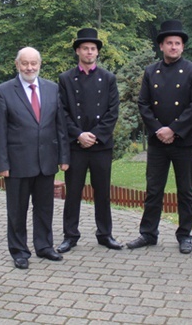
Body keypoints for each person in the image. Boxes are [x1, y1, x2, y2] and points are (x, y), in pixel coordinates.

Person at [127, 20, 192, 254]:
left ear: (182, 47)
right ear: (161, 45)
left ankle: (185, 235)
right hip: (157, 141)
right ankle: (148, 233)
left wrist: (173, 129)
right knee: (153, 189)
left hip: (183, 141)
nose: (173, 47)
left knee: (185, 191)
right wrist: (158, 130)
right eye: (169, 43)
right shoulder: (151, 71)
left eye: (177, 43)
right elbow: (143, 103)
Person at [0, 47, 70, 269]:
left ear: (40, 64)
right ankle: (19, 251)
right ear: (17, 65)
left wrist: (64, 156)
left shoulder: (52, 89)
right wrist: (2, 163)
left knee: (45, 207)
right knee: (17, 210)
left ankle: (44, 247)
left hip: (46, 161)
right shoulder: (3, 91)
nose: (29, 68)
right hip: (17, 163)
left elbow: (60, 126)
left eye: (34, 63)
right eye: (25, 63)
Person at [57, 28, 122, 254]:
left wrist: (95, 136)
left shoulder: (108, 78)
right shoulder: (65, 78)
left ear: (97, 52)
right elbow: (62, 111)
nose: (89, 52)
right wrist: (79, 135)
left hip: (101, 145)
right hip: (76, 145)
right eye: (85, 48)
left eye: (93, 48)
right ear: (78, 51)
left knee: (102, 192)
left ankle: (105, 234)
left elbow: (113, 112)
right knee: (73, 192)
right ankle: (70, 235)